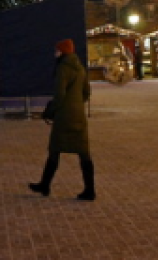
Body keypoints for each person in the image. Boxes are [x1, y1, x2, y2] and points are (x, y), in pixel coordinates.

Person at [29, 38, 95, 201]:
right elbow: (87, 92)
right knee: (84, 153)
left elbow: (59, 95)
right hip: (78, 116)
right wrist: (77, 105)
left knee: (54, 150)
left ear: (62, 52)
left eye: (57, 50)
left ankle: (45, 185)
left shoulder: (63, 69)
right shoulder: (80, 68)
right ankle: (90, 190)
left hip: (64, 117)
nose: (55, 53)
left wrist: (50, 111)